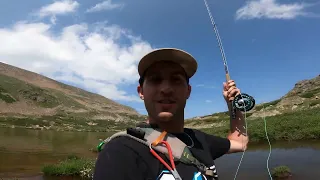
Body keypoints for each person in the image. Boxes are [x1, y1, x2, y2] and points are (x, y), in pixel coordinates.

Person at [93, 48, 249, 180]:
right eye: (155, 80)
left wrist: (234, 106)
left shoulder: (199, 139)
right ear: (141, 92)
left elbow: (240, 143)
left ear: (188, 91)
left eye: (176, 80)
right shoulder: (121, 151)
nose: (166, 89)